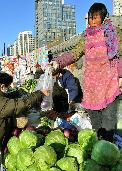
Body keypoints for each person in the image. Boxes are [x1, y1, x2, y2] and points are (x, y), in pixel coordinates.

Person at [51, 3, 122, 139]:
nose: (92, 21)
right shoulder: (86, 36)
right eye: (90, 18)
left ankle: (107, 145)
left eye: (95, 18)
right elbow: (74, 53)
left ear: (103, 17)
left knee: (108, 121)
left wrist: (120, 76)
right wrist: (58, 62)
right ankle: (98, 144)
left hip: (110, 83)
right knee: (95, 121)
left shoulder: (114, 32)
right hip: (92, 85)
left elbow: (121, 54)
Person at [0, 71, 49, 171]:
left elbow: (5, 100)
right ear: (2, 86)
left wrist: (18, 93)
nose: (8, 90)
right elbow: (17, 105)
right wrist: (39, 94)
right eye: (8, 87)